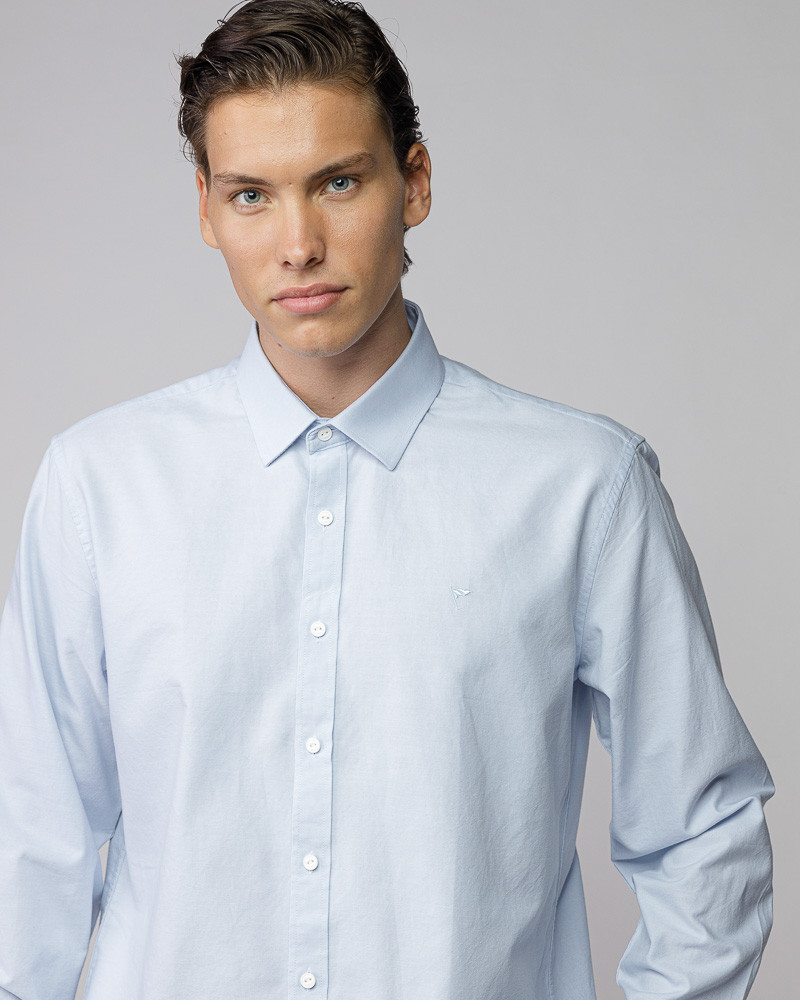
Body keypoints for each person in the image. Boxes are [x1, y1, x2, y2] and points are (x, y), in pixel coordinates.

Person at [0, 1, 774, 997]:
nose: (297, 244)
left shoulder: (583, 487)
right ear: (206, 210)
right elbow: (31, 838)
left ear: (413, 183)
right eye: (250, 195)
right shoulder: (99, 485)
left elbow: (702, 830)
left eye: (337, 181)